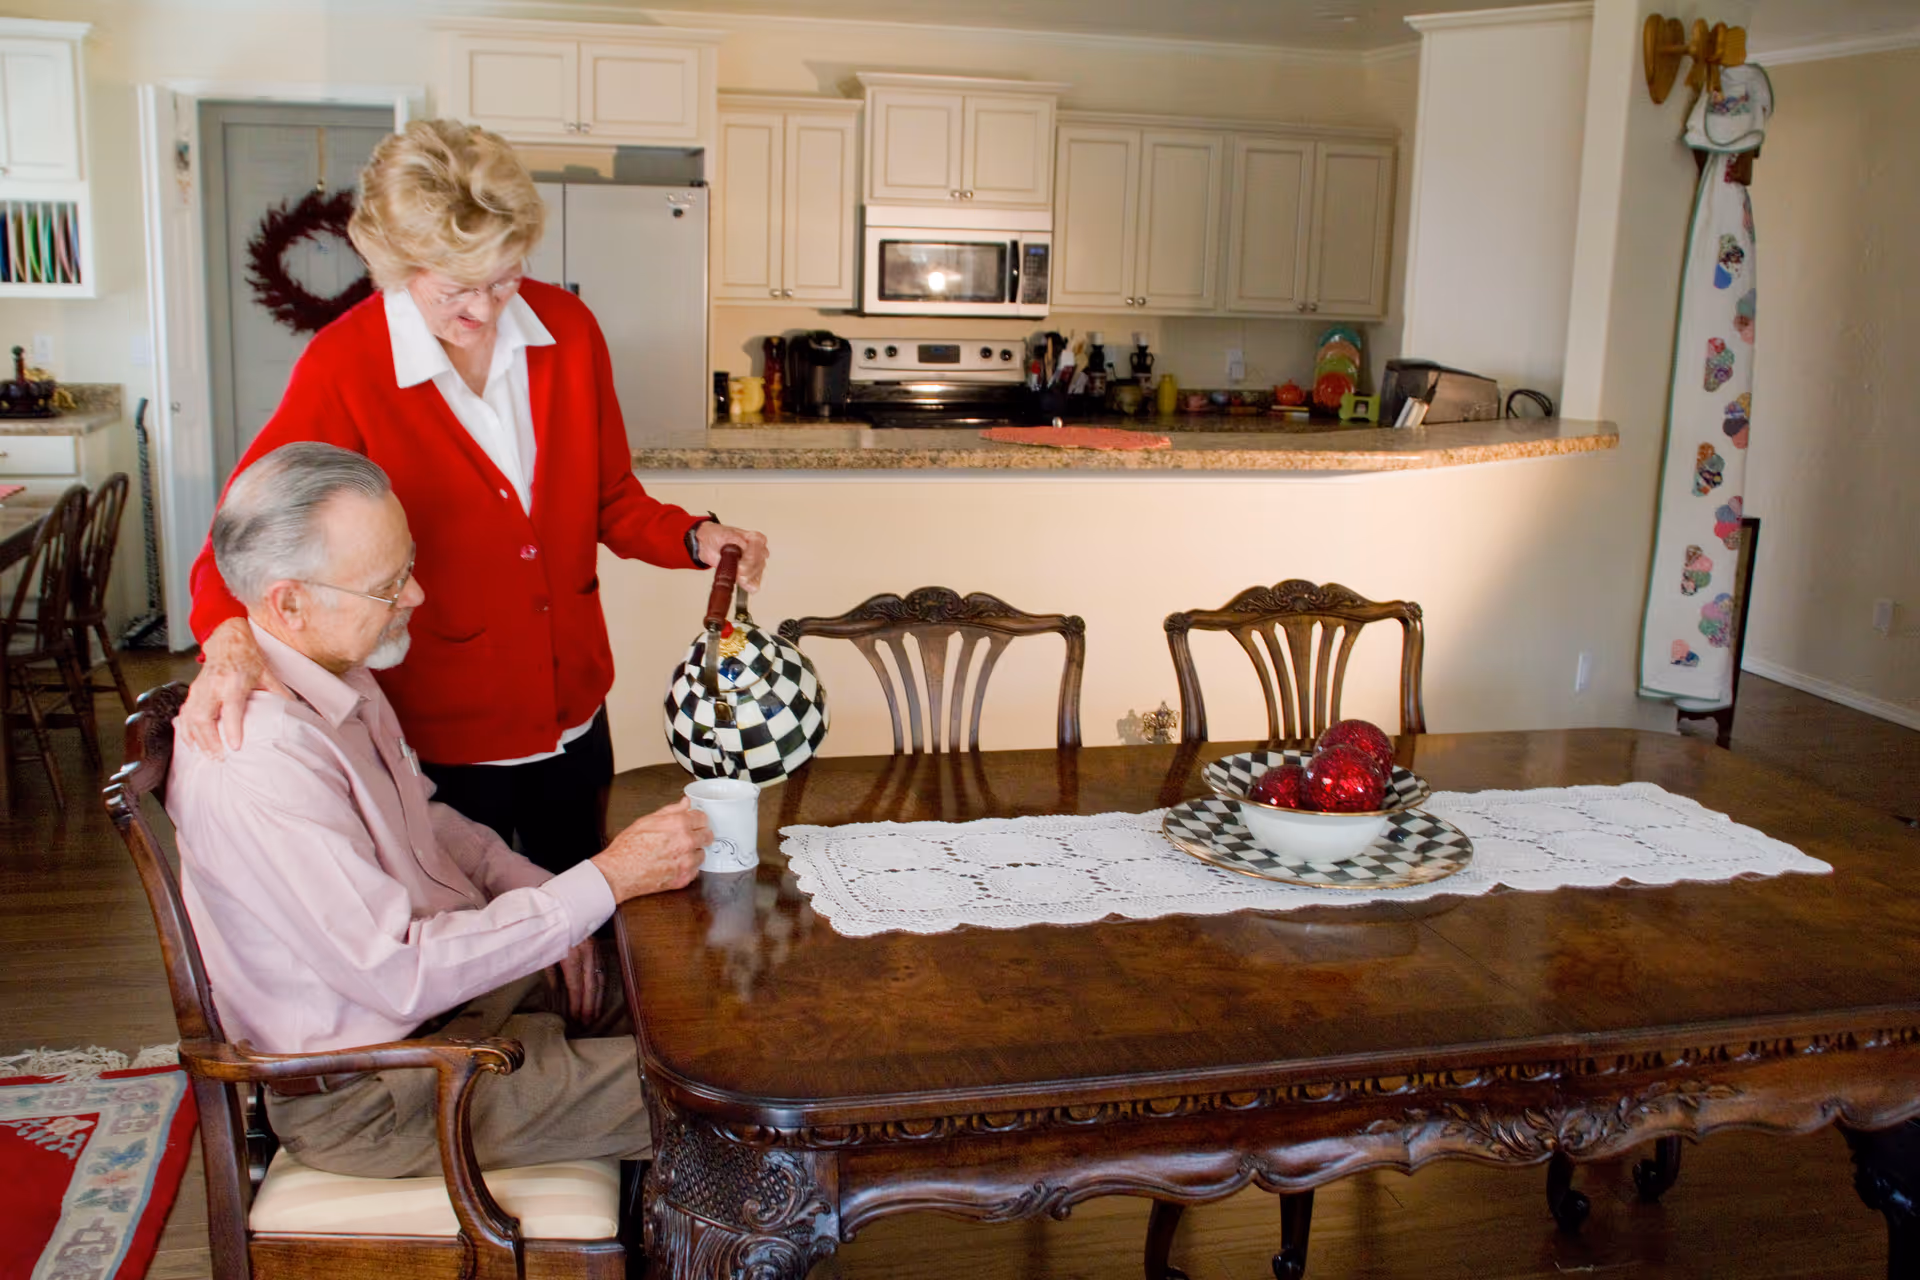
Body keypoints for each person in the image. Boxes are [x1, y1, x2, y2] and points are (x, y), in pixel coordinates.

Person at [180, 117, 768, 874]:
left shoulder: (570, 329)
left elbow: (611, 498)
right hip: (438, 734)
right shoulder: (345, 366)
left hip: (573, 712)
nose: (487, 310)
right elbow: (240, 538)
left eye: (507, 277)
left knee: (589, 910)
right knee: (469, 933)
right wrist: (227, 638)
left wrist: (692, 538)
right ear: (396, 266)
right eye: (457, 289)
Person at [167, 442, 708, 1177]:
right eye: (389, 585)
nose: (417, 595)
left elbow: (425, 820)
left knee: (700, 998)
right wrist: (602, 884)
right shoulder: (262, 760)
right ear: (288, 602)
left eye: (408, 566)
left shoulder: (334, 672)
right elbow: (400, 972)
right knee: (728, 1094)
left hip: (456, 1016)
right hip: (384, 1093)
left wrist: (538, 891)